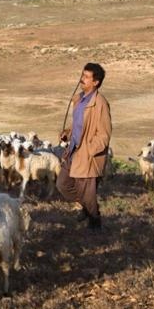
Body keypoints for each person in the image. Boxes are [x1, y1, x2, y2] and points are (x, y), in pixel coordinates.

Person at [56, 62, 112, 229]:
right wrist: (68, 133)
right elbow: (78, 124)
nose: (82, 79)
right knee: (62, 184)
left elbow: (104, 134)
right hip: (73, 152)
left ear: (96, 82)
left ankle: (95, 222)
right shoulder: (79, 99)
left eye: (87, 77)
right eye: (82, 75)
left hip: (87, 156)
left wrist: (89, 150)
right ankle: (88, 209)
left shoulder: (100, 103)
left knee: (87, 194)